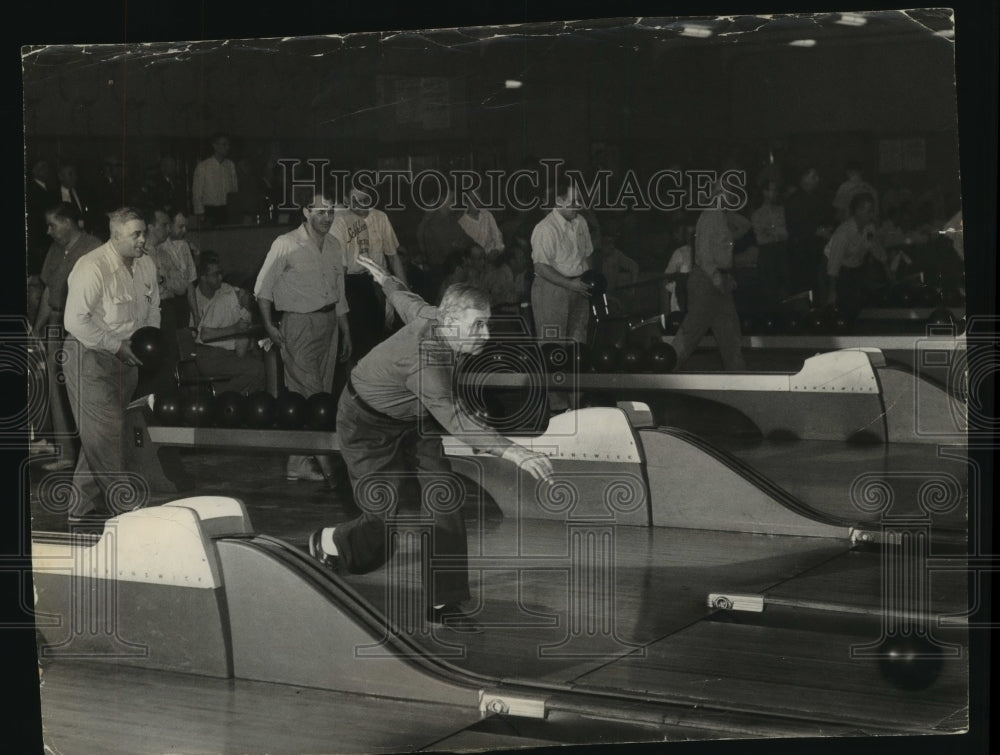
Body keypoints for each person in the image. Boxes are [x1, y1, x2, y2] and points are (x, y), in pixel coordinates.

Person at [308, 254, 554, 632]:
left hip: (415, 419)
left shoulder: (433, 316)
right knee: (382, 517)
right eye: (479, 326)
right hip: (366, 425)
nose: (486, 335)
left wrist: (385, 278)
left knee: (444, 499)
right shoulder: (425, 364)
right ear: (452, 322)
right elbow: (456, 418)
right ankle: (332, 540)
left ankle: (445, 602)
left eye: (487, 324)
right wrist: (513, 451)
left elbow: (407, 300)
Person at [62, 207, 159, 527]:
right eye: (136, 234)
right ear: (115, 236)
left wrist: (149, 344)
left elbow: (152, 309)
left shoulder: (146, 265)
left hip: (126, 359)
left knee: (102, 433)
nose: (144, 240)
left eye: (144, 232)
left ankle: (78, 504)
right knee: (106, 434)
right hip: (88, 356)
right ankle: (127, 509)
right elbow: (74, 321)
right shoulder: (92, 267)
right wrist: (117, 347)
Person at [254, 190, 351, 484]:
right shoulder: (285, 244)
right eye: (320, 211)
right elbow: (262, 289)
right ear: (305, 213)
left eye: (330, 211)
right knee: (315, 397)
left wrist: (346, 332)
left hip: (329, 324)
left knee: (309, 396)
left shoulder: (335, 245)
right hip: (298, 325)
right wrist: (270, 326)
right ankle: (332, 469)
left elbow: (340, 295)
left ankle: (297, 463)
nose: (326, 217)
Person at [31, 202, 103, 471]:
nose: (48, 231)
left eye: (52, 224)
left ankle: (91, 455)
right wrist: (37, 329)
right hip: (55, 323)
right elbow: (49, 292)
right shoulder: (54, 250)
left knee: (82, 387)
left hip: (81, 325)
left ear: (68, 223)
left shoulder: (94, 247)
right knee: (56, 385)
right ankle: (66, 453)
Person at [530, 175, 593, 411]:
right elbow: (541, 267)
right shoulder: (545, 229)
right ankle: (557, 407)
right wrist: (570, 284)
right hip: (552, 289)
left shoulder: (581, 222)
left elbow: (586, 255)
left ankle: (577, 404)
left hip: (579, 288)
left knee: (577, 348)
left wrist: (587, 282)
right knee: (553, 350)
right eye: (574, 200)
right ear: (559, 200)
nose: (579, 204)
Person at [671, 179, 747, 371]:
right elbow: (704, 255)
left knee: (729, 332)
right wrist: (717, 278)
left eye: (730, 191)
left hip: (717, 278)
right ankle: (666, 368)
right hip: (707, 280)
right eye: (724, 191)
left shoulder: (720, 216)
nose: (728, 195)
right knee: (692, 330)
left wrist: (724, 277)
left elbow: (746, 226)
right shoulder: (710, 217)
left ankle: (739, 374)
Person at [329, 187, 408, 361]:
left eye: (365, 201)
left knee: (387, 341)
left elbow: (394, 258)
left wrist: (406, 294)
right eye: (355, 201)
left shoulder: (380, 218)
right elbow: (339, 273)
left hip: (380, 283)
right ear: (346, 200)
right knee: (362, 346)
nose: (361, 206)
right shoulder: (339, 222)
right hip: (353, 285)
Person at [190, 252, 265, 394]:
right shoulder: (224, 301)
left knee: (258, 368)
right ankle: (219, 398)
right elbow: (204, 335)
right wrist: (235, 329)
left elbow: (241, 347)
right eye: (253, 297)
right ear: (244, 292)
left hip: (225, 353)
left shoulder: (245, 307)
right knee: (256, 370)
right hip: (209, 355)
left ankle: (233, 402)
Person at [824, 192, 888, 319]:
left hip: (855, 269)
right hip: (837, 271)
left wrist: (888, 269)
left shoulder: (869, 228)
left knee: (855, 307)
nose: (872, 214)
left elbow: (876, 250)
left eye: (872, 210)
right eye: (869, 210)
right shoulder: (843, 232)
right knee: (841, 310)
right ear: (858, 211)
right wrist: (832, 291)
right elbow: (833, 265)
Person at [750, 179, 789, 307]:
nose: (776, 193)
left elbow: (785, 233)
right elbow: (760, 239)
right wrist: (776, 234)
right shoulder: (757, 214)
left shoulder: (781, 210)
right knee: (769, 292)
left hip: (782, 253)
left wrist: (771, 232)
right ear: (765, 192)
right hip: (768, 256)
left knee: (785, 289)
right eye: (773, 190)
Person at [192, 132, 238, 225]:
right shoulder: (203, 166)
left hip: (227, 210)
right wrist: (200, 213)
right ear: (215, 146)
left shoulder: (230, 165)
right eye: (224, 144)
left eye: (228, 144)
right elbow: (197, 193)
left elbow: (234, 188)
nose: (227, 147)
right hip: (209, 211)